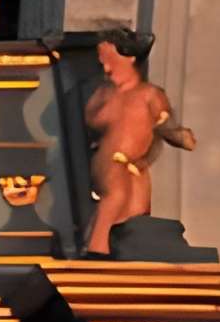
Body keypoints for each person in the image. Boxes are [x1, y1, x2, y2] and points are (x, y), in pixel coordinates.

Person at [80, 28, 195, 257]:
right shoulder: (102, 95)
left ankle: (118, 251)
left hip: (133, 167)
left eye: (111, 60)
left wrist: (179, 137)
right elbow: (86, 125)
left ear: (130, 57)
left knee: (135, 211)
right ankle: (96, 249)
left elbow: (163, 129)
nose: (106, 68)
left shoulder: (149, 95)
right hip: (109, 163)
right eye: (102, 62)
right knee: (114, 197)